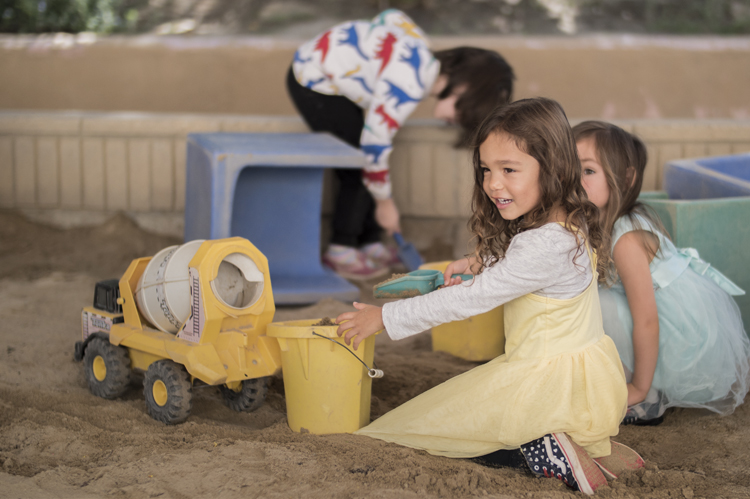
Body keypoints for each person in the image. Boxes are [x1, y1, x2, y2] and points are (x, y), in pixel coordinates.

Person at [334, 98, 639, 495]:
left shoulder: (542, 246)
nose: (493, 183)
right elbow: (525, 262)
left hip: (543, 381)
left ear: (554, 168)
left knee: (426, 429)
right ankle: (577, 441)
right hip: (582, 378)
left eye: (509, 170)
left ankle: (542, 448)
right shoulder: (569, 220)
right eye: (486, 170)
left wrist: (385, 318)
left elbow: (470, 299)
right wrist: (478, 261)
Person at [286, 9, 515, 279]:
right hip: (314, 79)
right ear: (462, 87)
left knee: (371, 169)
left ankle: (368, 243)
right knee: (360, 165)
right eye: (463, 115)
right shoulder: (408, 83)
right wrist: (386, 204)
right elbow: (373, 147)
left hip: (326, 72)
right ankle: (341, 249)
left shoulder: (420, 52)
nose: (455, 122)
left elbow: (391, 17)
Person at [573, 120, 750, 425]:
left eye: (588, 171)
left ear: (626, 179)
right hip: (655, 318)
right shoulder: (591, 218)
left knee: (601, 304)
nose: (575, 181)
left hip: (676, 329)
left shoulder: (626, 241)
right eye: (569, 169)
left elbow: (647, 320)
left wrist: (638, 388)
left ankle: (646, 396)